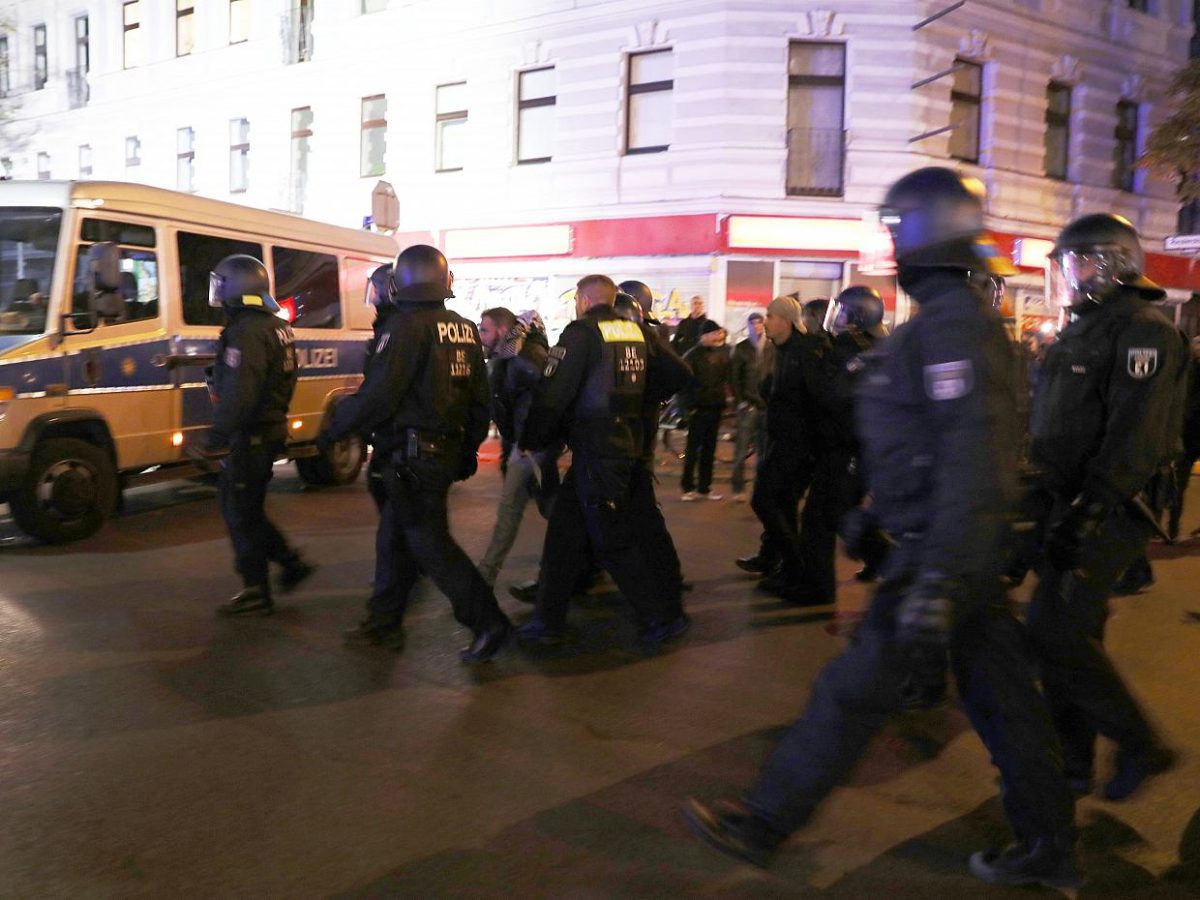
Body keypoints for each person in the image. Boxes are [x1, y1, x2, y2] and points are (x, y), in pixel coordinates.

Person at [686, 167, 1079, 889]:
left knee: (853, 693)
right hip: (951, 554)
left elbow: (971, 462)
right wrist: (872, 516)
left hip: (942, 558)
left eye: (898, 230)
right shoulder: (947, 325)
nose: (891, 244)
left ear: (923, 235)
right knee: (1004, 706)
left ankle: (766, 820)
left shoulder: (954, 329)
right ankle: (1051, 843)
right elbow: (932, 449)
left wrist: (935, 576)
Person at [1026, 212, 1184, 799]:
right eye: (1070, 263)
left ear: (1116, 262)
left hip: (1108, 508)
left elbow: (1135, 434)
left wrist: (1090, 510)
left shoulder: (1144, 330)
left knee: (1053, 631)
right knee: (1072, 638)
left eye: (1083, 260)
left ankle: (1142, 745)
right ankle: (1071, 763)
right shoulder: (1084, 327)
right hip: (1064, 502)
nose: (1073, 273)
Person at [321, 244, 511, 663]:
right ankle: (383, 622)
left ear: (400, 282)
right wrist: (467, 451)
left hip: (412, 458)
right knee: (395, 540)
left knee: (432, 547)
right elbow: (481, 401)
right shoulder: (462, 327)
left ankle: (488, 621)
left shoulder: (405, 326)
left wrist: (335, 428)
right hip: (437, 454)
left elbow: (379, 396)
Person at [517, 274, 689, 645]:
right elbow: (680, 373)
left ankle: (660, 617)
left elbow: (553, 394)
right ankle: (547, 621)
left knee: (612, 540)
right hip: (620, 447)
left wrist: (531, 438)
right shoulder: (636, 332)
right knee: (562, 539)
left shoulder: (581, 334)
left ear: (582, 299)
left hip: (597, 453)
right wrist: (641, 400)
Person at [201, 254, 313, 616]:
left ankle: (257, 587)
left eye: (221, 284)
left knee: (240, 511)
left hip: (252, 434)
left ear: (236, 288)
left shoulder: (246, 331)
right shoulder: (273, 325)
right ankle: (288, 564)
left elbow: (242, 392)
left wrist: (215, 437)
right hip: (268, 429)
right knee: (245, 508)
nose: (217, 292)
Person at [747, 296, 827, 604]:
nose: (764, 320)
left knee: (764, 500)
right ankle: (785, 566)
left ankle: (795, 565)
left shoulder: (804, 352)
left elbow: (816, 398)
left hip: (798, 444)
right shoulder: (777, 351)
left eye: (770, 315)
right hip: (780, 439)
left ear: (786, 320)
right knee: (782, 503)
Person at [476, 306, 559, 587]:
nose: (480, 335)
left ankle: (486, 575)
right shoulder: (509, 355)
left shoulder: (524, 358)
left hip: (530, 448)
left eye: (484, 329)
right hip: (525, 444)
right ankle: (579, 563)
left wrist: (527, 443)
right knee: (549, 509)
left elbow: (544, 403)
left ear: (501, 330)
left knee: (512, 509)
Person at [680, 320, 731, 501]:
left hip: (714, 407)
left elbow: (724, 380)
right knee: (693, 449)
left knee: (709, 449)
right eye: (714, 333)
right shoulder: (691, 356)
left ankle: (704, 487)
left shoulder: (720, 355)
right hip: (698, 409)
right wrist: (689, 407)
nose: (717, 336)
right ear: (705, 335)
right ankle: (688, 487)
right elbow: (684, 384)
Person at [729, 312, 769, 503]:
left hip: (767, 405)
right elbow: (734, 378)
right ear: (749, 326)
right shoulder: (742, 348)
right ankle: (738, 487)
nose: (756, 327)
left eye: (759, 323)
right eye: (753, 324)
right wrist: (741, 401)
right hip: (748, 404)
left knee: (764, 449)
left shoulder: (772, 347)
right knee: (741, 449)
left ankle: (761, 487)